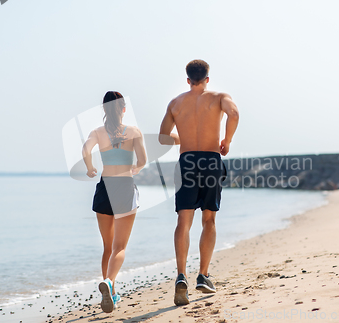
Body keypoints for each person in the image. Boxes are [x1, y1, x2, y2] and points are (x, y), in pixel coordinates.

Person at [159, 60, 239, 305]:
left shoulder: (175, 103)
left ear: (187, 79)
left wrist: (181, 136)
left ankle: (181, 275)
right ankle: (203, 275)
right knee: (209, 218)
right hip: (211, 160)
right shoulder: (219, 97)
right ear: (207, 77)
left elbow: (163, 137)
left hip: (187, 161)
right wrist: (227, 139)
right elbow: (234, 113)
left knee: (183, 221)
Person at [82, 91, 147, 313]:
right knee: (120, 247)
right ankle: (109, 284)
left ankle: (110, 289)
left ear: (104, 109)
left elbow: (85, 149)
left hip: (104, 187)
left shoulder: (97, 132)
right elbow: (142, 160)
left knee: (108, 247)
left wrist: (90, 167)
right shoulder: (134, 132)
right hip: (124, 188)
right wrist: (135, 169)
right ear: (123, 109)